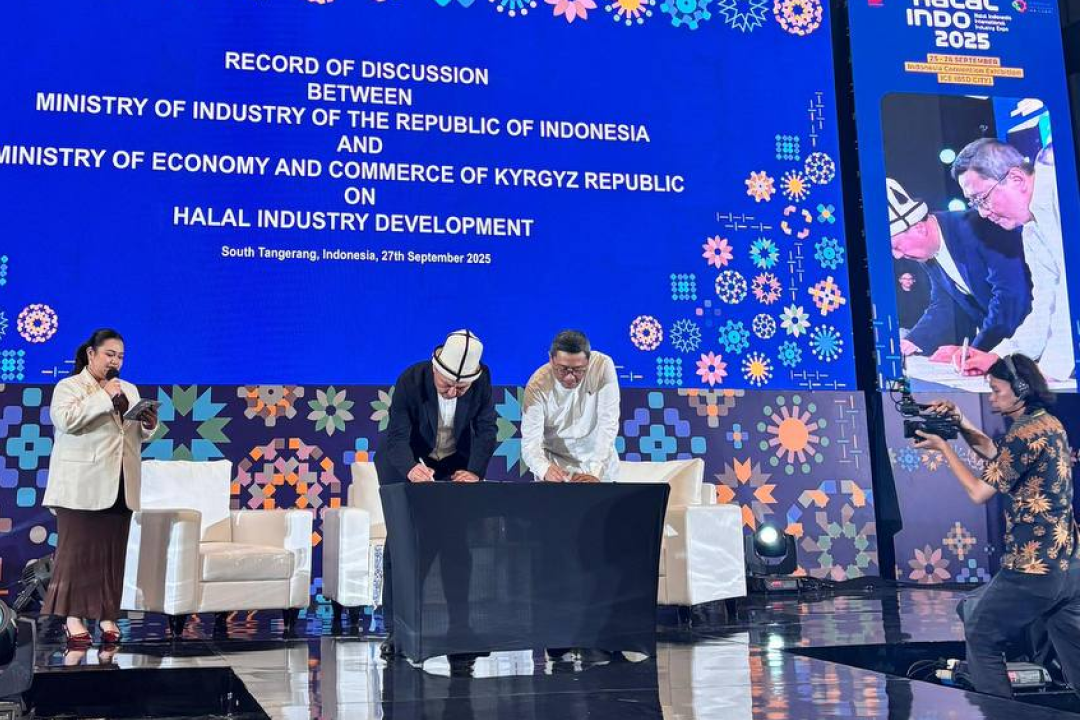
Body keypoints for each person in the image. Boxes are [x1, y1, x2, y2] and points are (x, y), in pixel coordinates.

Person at [912, 354, 1080, 698]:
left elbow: (978, 492)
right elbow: (997, 454)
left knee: (980, 632)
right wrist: (960, 423)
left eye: (996, 390)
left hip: (1034, 569)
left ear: (1021, 389)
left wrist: (944, 448)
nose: (991, 398)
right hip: (1069, 567)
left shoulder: (1023, 433)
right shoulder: (1048, 425)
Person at [374, 329, 497, 669]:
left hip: (454, 462)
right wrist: (412, 469)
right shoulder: (411, 380)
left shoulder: (482, 380)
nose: (453, 392)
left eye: (461, 388)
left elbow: (487, 429)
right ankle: (397, 631)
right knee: (403, 542)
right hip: (403, 460)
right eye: (447, 385)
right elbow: (397, 437)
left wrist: (474, 471)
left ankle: (460, 630)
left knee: (456, 541)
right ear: (435, 368)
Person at [42, 329, 158, 648]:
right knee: (77, 554)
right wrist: (104, 396)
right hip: (80, 485)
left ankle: (107, 615)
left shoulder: (129, 390)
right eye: (109, 354)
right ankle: (73, 617)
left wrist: (148, 425)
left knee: (111, 555)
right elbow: (66, 420)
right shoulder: (69, 387)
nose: (115, 361)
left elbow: (129, 434)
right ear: (91, 354)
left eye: (120, 356)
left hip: (120, 482)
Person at [951, 139, 1073, 381]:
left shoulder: (1064, 189)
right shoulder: (1031, 228)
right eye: (974, 204)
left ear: (1016, 179)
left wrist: (1051, 369)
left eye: (982, 198)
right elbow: (1046, 305)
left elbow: (1073, 292)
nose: (982, 213)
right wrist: (998, 357)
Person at [885, 178, 1030, 360]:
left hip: (1034, 333)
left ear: (919, 228)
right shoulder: (927, 253)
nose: (897, 255)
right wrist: (913, 340)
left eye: (897, 246)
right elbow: (944, 302)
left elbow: (1009, 296)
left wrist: (974, 351)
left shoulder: (978, 228)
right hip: (1006, 344)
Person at [521, 330, 620, 485]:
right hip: (557, 469)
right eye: (562, 369)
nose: (569, 377)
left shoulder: (602, 366)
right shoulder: (537, 386)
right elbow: (530, 443)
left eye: (578, 370)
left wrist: (595, 472)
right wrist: (544, 469)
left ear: (588, 361)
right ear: (551, 359)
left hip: (599, 465)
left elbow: (608, 424)